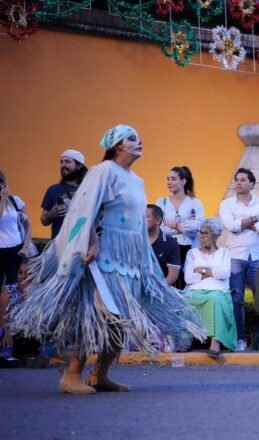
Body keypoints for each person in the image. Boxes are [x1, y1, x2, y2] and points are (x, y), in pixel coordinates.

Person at [10, 125, 205, 395]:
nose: (140, 142)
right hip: (107, 256)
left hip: (131, 259)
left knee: (122, 318)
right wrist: (91, 240)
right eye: (132, 138)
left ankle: (100, 374)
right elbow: (84, 207)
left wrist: (144, 259)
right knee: (103, 314)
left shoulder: (136, 180)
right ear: (116, 146)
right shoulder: (102, 172)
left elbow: (138, 223)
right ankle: (73, 374)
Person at [219, 168, 259, 351]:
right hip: (235, 256)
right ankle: (240, 338)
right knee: (236, 299)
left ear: (252, 184)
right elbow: (230, 226)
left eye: (243, 180)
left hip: (256, 257)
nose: (239, 183)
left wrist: (243, 222)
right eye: (237, 180)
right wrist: (253, 219)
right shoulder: (227, 204)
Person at [183, 218, 237, 359]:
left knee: (214, 299)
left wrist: (201, 271)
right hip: (195, 290)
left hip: (218, 291)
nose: (202, 237)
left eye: (206, 233)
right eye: (200, 233)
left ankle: (216, 342)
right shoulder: (192, 253)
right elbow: (188, 278)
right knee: (186, 299)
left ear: (215, 236)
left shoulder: (224, 253)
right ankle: (186, 340)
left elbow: (225, 273)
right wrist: (212, 273)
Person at [0, 170, 35, 362]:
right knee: (3, 295)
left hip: (15, 249)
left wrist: (26, 246)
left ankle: (17, 337)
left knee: (15, 291)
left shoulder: (15, 201)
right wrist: (1, 201)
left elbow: (27, 224)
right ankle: (5, 336)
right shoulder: (4, 202)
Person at [157, 165, 205, 289]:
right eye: (168, 179)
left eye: (173, 179)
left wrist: (173, 224)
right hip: (166, 247)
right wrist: (184, 226)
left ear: (183, 181)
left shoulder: (195, 203)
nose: (169, 182)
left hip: (188, 247)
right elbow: (159, 227)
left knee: (186, 282)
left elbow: (196, 228)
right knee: (168, 280)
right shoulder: (161, 202)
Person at [40, 149, 88, 239]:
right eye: (61, 162)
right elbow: (44, 221)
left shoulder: (89, 189)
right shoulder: (53, 189)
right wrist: (51, 215)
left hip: (82, 243)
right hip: (59, 244)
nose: (63, 165)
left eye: (67, 162)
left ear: (79, 166)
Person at [146, 204, 181, 286]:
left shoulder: (171, 243)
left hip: (160, 290)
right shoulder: (135, 241)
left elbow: (173, 276)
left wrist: (158, 289)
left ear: (158, 220)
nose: (141, 220)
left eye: (146, 217)